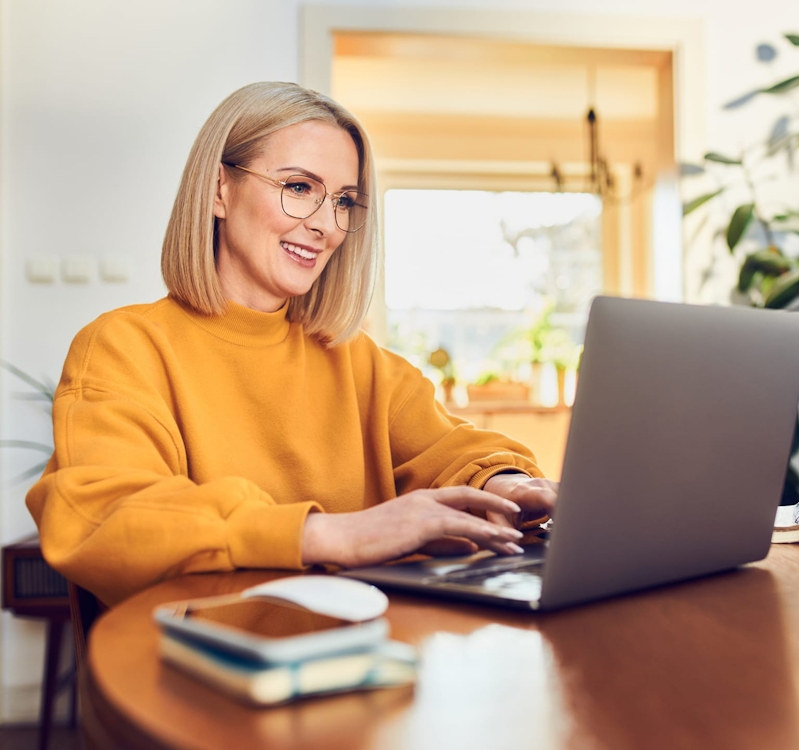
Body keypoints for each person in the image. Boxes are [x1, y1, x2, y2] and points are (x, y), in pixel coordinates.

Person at [26, 81, 558, 606]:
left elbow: (455, 449)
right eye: (299, 187)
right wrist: (333, 536)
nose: (326, 225)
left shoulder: (354, 358)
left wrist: (506, 484)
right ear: (219, 190)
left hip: (362, 660)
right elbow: (105, 516)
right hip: (198, 669)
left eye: (344, 200)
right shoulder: (124, 347)